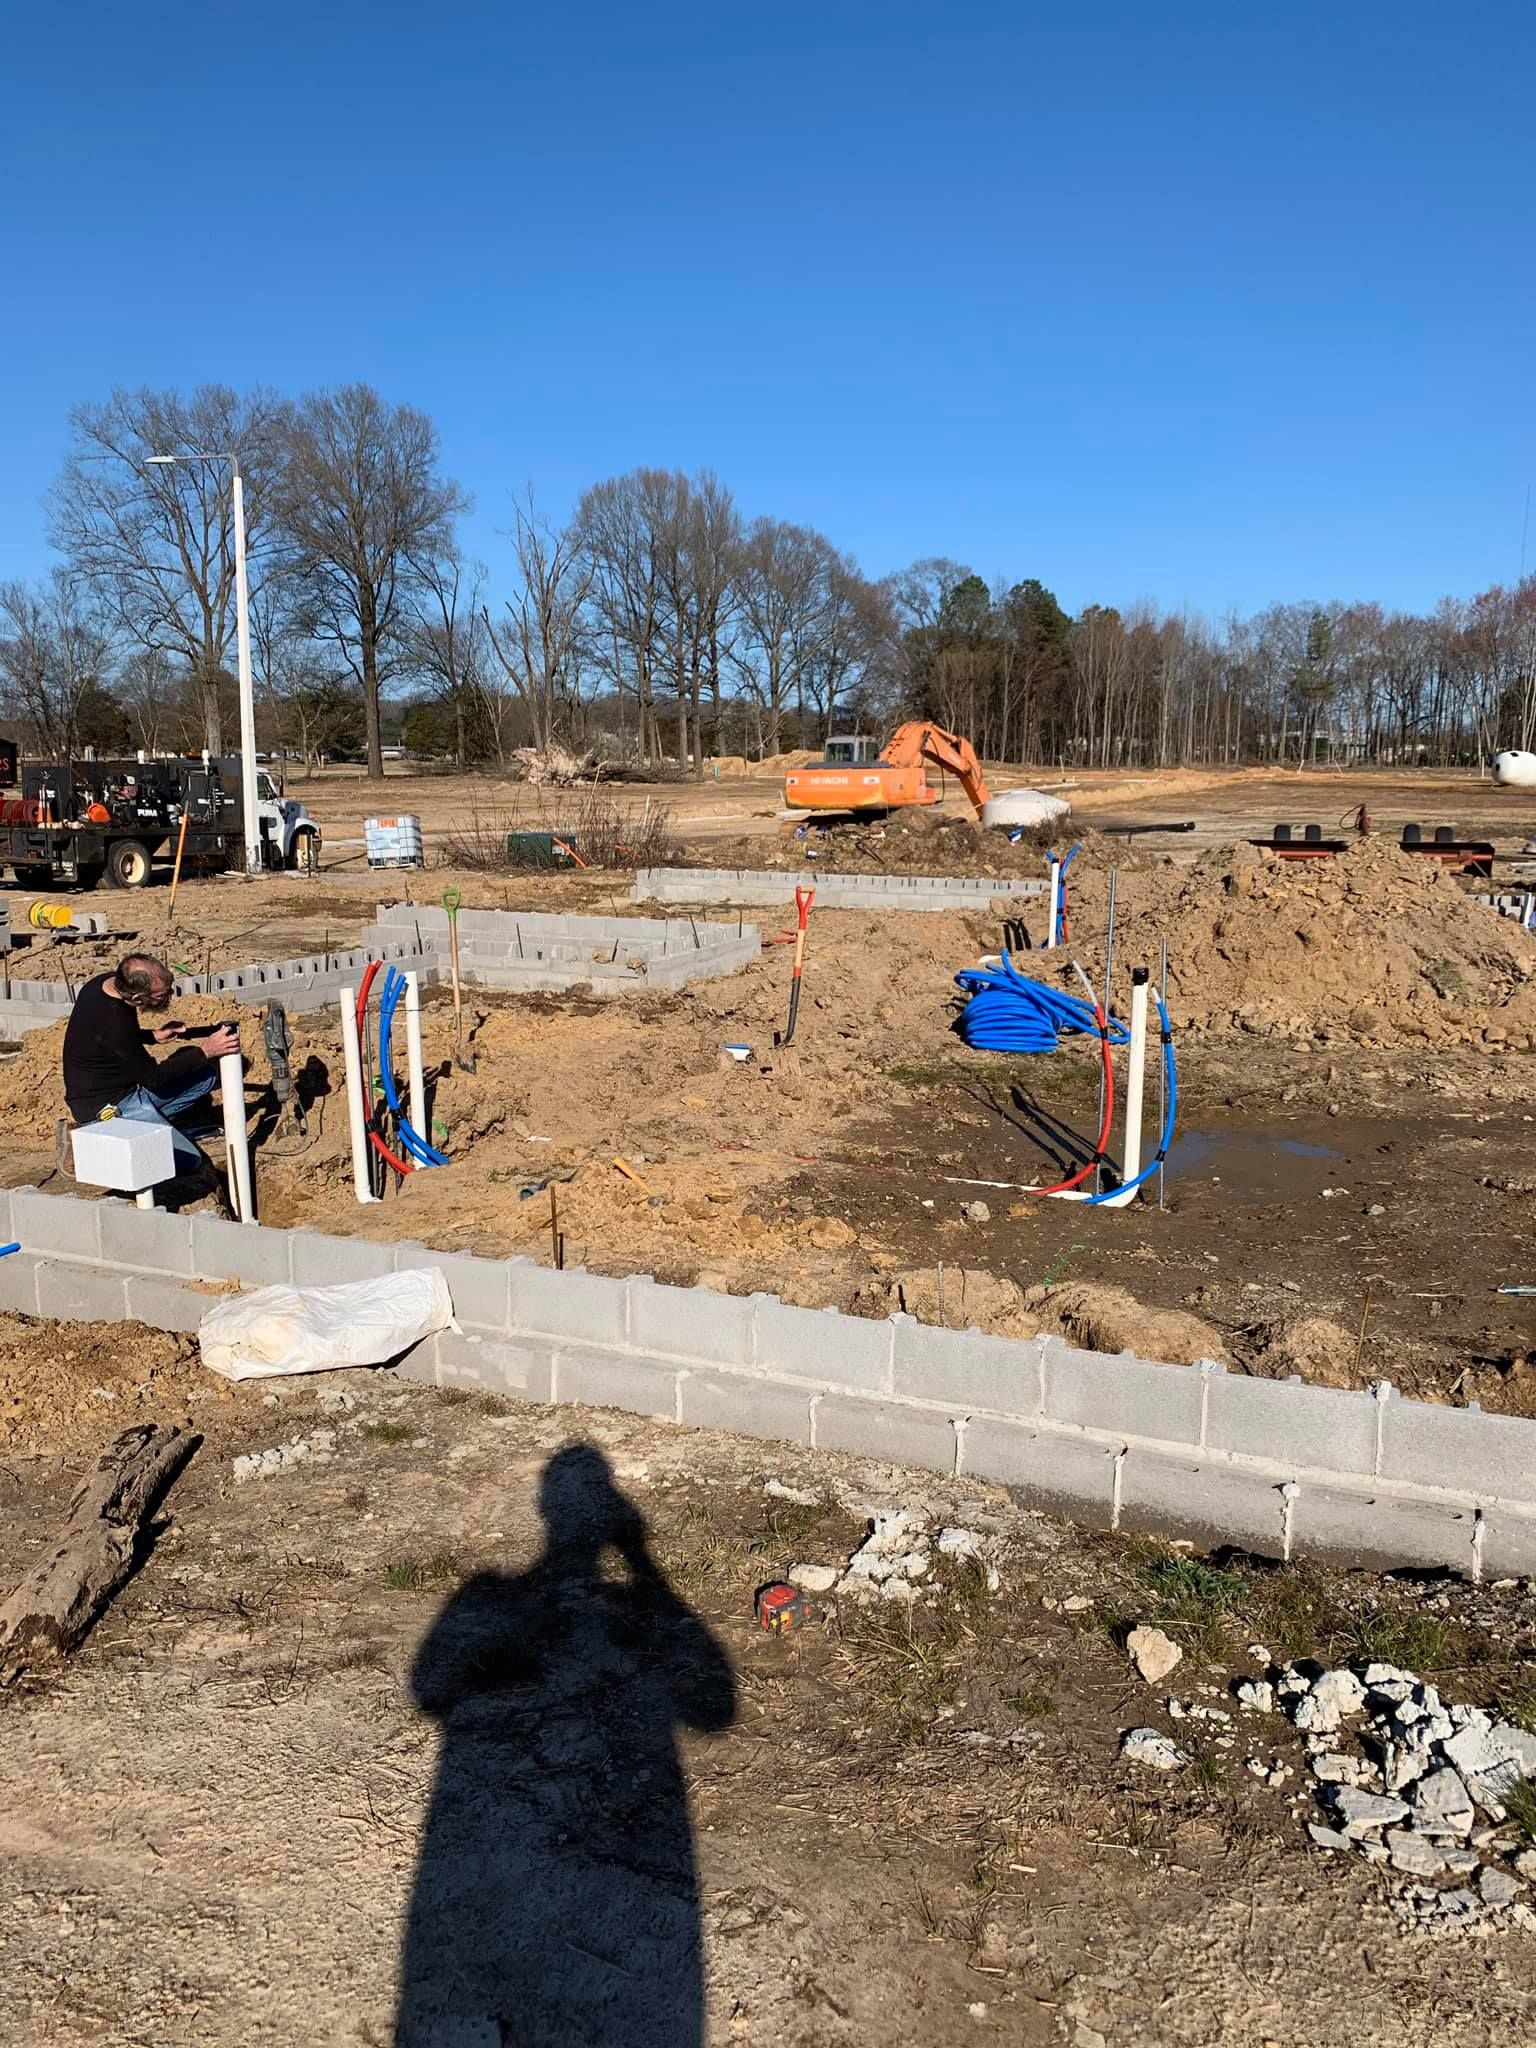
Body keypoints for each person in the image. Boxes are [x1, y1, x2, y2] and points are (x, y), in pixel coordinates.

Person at [62, 953, 241, 1173]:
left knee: (202, 1074)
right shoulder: (114, 1024)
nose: (169, 997)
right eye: (162, 995)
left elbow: (110, 1039)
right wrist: (206, 1050)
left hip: (114, 1089)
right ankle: (88, 1145)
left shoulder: (103, 984)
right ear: (137, 998)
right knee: (187, 1162)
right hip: (108, 1107)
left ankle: (152, 1127)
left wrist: (152, 1036)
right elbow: (153, 1078)